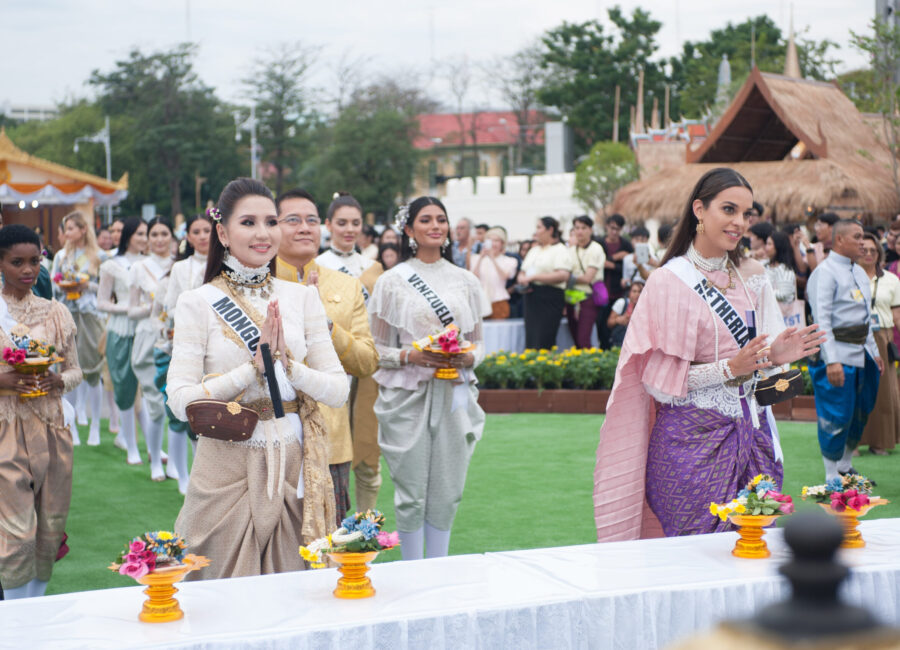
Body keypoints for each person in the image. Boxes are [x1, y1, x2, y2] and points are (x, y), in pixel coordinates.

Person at [593, 167, 824, 541]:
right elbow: (659, 383)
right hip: (689, 444)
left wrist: (777, 357)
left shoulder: (753, 278)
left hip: (754, 434)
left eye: (746, 215)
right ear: (699, 210)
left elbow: (757, 362)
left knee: (753, 550)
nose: (739, 223)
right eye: (728, 210)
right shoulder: (668, 281)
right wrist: (730, 368)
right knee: (694, 562)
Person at [168, 178, 348, 580]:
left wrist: (288, 366)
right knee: (221, 599)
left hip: (294, 463)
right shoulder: (196, 302)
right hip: (225, 464)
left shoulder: (302, 297)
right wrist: (252, 369)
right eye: (248, 222)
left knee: (295, 597)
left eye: (271, 221)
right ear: (222, 232)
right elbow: (180, 402)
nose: (263, 233)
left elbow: (338, 390)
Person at [369, 196, 490, 560]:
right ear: (409, 230)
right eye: (426, 220)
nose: (435, 226)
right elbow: (375, 348)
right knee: (411, 488)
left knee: (448, 487)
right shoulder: (391, 282)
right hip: (407, 394)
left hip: (454, 392)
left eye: (441, 219)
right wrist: (411, 355)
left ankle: (439, 567)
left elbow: (480, 343)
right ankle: (412, 569)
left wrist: (468, 356)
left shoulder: (466, 281)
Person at [275, 188, 378, 523]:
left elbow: (366, 361)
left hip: (330, 438)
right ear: (273, 227)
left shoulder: (344, 286)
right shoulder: (256, 282)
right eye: (293, 220)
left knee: (330, 541)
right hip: (270, 438)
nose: (305, 227)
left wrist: (326, 324)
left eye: (312, 220)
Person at [0, 225, 82, 599]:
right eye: (17, 262)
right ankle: (14, 623)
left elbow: (77, 370)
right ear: (1, 263)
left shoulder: (56, 313)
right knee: (17, 532)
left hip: (52, 428)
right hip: (7, 428)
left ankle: (36, 617)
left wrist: (57, 381)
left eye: (34, 261)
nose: (27, 269)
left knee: (50, 527)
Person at [317, 193, 385, 512]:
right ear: (328, 225)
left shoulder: (373, 268)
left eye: (355, 223)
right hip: (329, 367)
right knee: (332, 448)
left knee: (368, 448)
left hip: (366, 366)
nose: (348, 229)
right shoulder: (315, 266)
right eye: (341, 222)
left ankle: (366, 521)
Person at [807, 219, 885, 482]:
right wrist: (831, 361)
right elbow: (821, 321)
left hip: (861, 352)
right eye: (857, 236)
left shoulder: (860, 272)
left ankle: (845, 466)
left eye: (863, 236)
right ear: (839, 240)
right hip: (836, 354)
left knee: (860, 411)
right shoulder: (824, 272)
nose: (863, 242)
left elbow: (865, 318)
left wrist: (874, 352)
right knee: (835, 413)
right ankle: (831, 475)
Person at [156, 213, 213, 494]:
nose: (203, 236)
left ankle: (205, 475)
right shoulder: (181, 268)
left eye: (207, 230)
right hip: (186, 345)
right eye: (197, 231)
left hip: (216, 348)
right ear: (188, 237)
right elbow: (171, 306)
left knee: (210, 412)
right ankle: (182, 476)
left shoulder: (226, 264)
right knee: (184, 411)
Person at [50, 211, 106, 446]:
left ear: (83, 229)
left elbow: (105, 288)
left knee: (92, 368)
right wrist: (63, 284)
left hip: (90, 314)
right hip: (67, 314)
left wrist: (87, 285)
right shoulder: (61, 256)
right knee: (68, 368)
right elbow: (54, 283)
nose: (67, 233)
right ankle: (70, 425)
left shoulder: (99, 256)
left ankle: (95, 426)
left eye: (72, 228)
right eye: (66, 228)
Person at [128, 217, 176, 483]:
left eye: (163, 233)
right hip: (148, 338)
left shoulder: (180, 266)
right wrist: (152, 307)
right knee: (154, 403)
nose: (159, 239)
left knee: (177, 404)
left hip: (177, 338)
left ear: (171, 236)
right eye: (153, 234)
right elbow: (131, 310)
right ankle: (155, 459)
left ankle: (177, 463)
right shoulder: (138, 268)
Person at [98, 218, 146, 465]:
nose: (145, 239)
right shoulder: (111, 265)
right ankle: (130, 445)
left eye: (146, 234)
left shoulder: (151, 265)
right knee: (125, 389)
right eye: (140, 233)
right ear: (129, 236)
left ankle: (151, 445)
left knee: (148, 392)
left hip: (148, 331)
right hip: (121, 330)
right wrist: (128, 308)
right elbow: (101, 301)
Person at [857, 232, 900, 456]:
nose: (869, 254)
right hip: (854, 336)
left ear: (879, 253)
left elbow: (897, 315)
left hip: (882, 337)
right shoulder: (848, 277)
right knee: (855, 389)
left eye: (874, 250)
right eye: (864, 249)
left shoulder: (891, 280)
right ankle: (852, 442)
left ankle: (880, 442)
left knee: (883, 392)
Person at [517, 217, 570, 349]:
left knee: (545, 338)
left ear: (550, 229)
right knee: (531, 338)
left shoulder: (560, 249)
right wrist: (523, 278)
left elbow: (563, 275)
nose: (537, 232)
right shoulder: (534, 250)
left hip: (550, 297)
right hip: (531, 297)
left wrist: (535, 277)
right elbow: (522, 271)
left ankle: (545, 366)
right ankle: (532, 365)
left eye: (539, 227)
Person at [565, 216, 606, 348]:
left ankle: (590, 366)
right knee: (575, 338)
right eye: (577, 228)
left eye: (583, 228)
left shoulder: (596, 248)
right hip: (571, 297)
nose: (580, 231)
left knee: (583, 339)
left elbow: (588, 278)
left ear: (590, 230)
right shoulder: (570, 250)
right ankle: (579, 366)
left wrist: (568, 276)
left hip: (588, 297)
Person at [598, 214, 634, 349]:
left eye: (617, 229)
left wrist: (611, 264)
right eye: (612, 228)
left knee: (618, 325)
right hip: (600, 292)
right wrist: (616, 257)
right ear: (607, 226)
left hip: (619, 292)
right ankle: (604, 350)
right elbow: (598, 262)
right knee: (601, 323)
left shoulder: (626, 245)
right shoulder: (599, 243)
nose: (614, 232)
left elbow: (630, 268)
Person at [470, 227, 517, 319]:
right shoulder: (475, 258)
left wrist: (492, 258)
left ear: (502, 243)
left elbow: (504, 276)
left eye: (496, 240)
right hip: (480, 302)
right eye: (490, 240)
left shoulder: (510, 261)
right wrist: (481, 258)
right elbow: (473, 278)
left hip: (499, 301)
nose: (493, 243)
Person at [763, 231, 799, 307]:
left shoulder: (785, 270)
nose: (766, 247)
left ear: (778, 246)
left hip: (783, 314)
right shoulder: (765, 265)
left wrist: (762, 293)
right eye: (766, 244)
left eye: (769, 244)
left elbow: (784, 294)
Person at [607, 280, 643, 348]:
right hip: (619, 344)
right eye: (634, 291)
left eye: (640, 292)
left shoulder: (646, 307)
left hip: (638, 345)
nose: (637, 294)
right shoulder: (622, 303)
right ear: (629, 292)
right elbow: (609, 323)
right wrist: (617, 320)